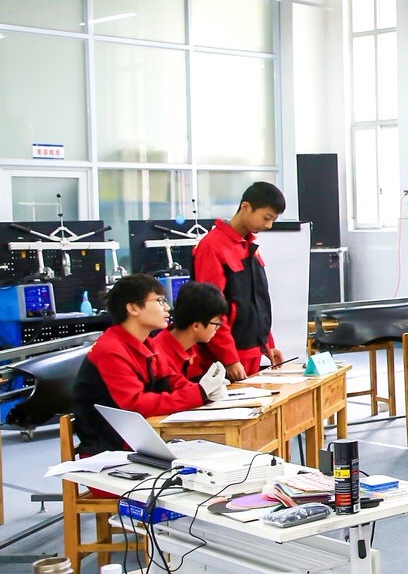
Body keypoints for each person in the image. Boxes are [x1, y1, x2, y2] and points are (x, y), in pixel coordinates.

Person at [71, 274, 226, 456]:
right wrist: (198, 393)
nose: (167, 307)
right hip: (110, 452)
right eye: (159, 301)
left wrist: (206, 391)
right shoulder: (110, 350)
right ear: (133, 308)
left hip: (141, 440)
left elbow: (172, 380)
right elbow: (136, 405)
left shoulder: (148, 344)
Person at [192, 181, 286, 381]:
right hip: (227, 357)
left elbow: (258, 301)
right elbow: (211, 309)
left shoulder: (249, 247)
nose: (268, 226)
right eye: (266, 218)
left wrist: (267, 344)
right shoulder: (212, 247)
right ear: (245, 207)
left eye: (273, 220)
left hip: (252, 351)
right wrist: (229, 358)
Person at [152, 282, 229, 383]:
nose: (218, 328)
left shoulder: (194, 349)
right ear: (196, 325)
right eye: (216, 323)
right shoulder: (158, 355)